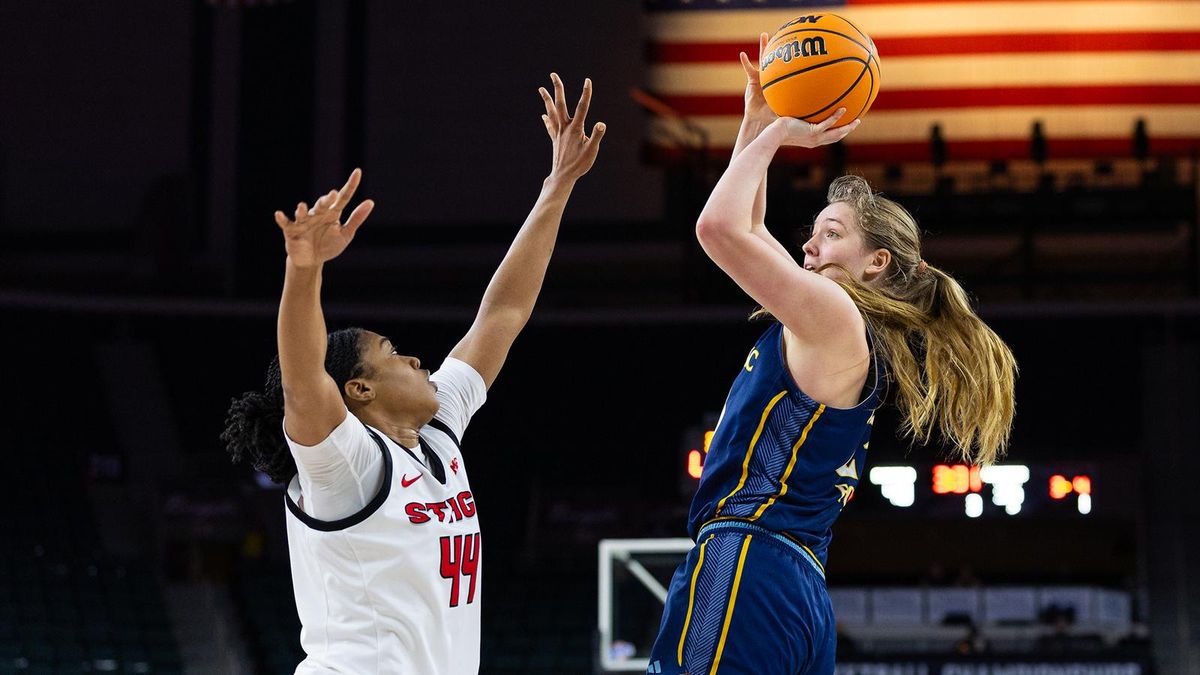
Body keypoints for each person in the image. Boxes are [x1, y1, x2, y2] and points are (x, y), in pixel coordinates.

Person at [646, 34, 1016, 674]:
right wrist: (755, 124)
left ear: (878, 263)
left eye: (831, 234)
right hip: (797, 584)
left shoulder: (835, 317)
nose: (809, 249)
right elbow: (752, 228)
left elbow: (719, 228)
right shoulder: (836, 326)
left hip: (748, 560)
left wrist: (778, 135)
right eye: (811, 235)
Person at [220, 73, 605, 674]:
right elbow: (303, 381)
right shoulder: (348, 463)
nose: (417, 360)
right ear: (360, 389)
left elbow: (501, 315)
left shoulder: (438, 434)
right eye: (393, 351)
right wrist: (304, 270)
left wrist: (558, 186)